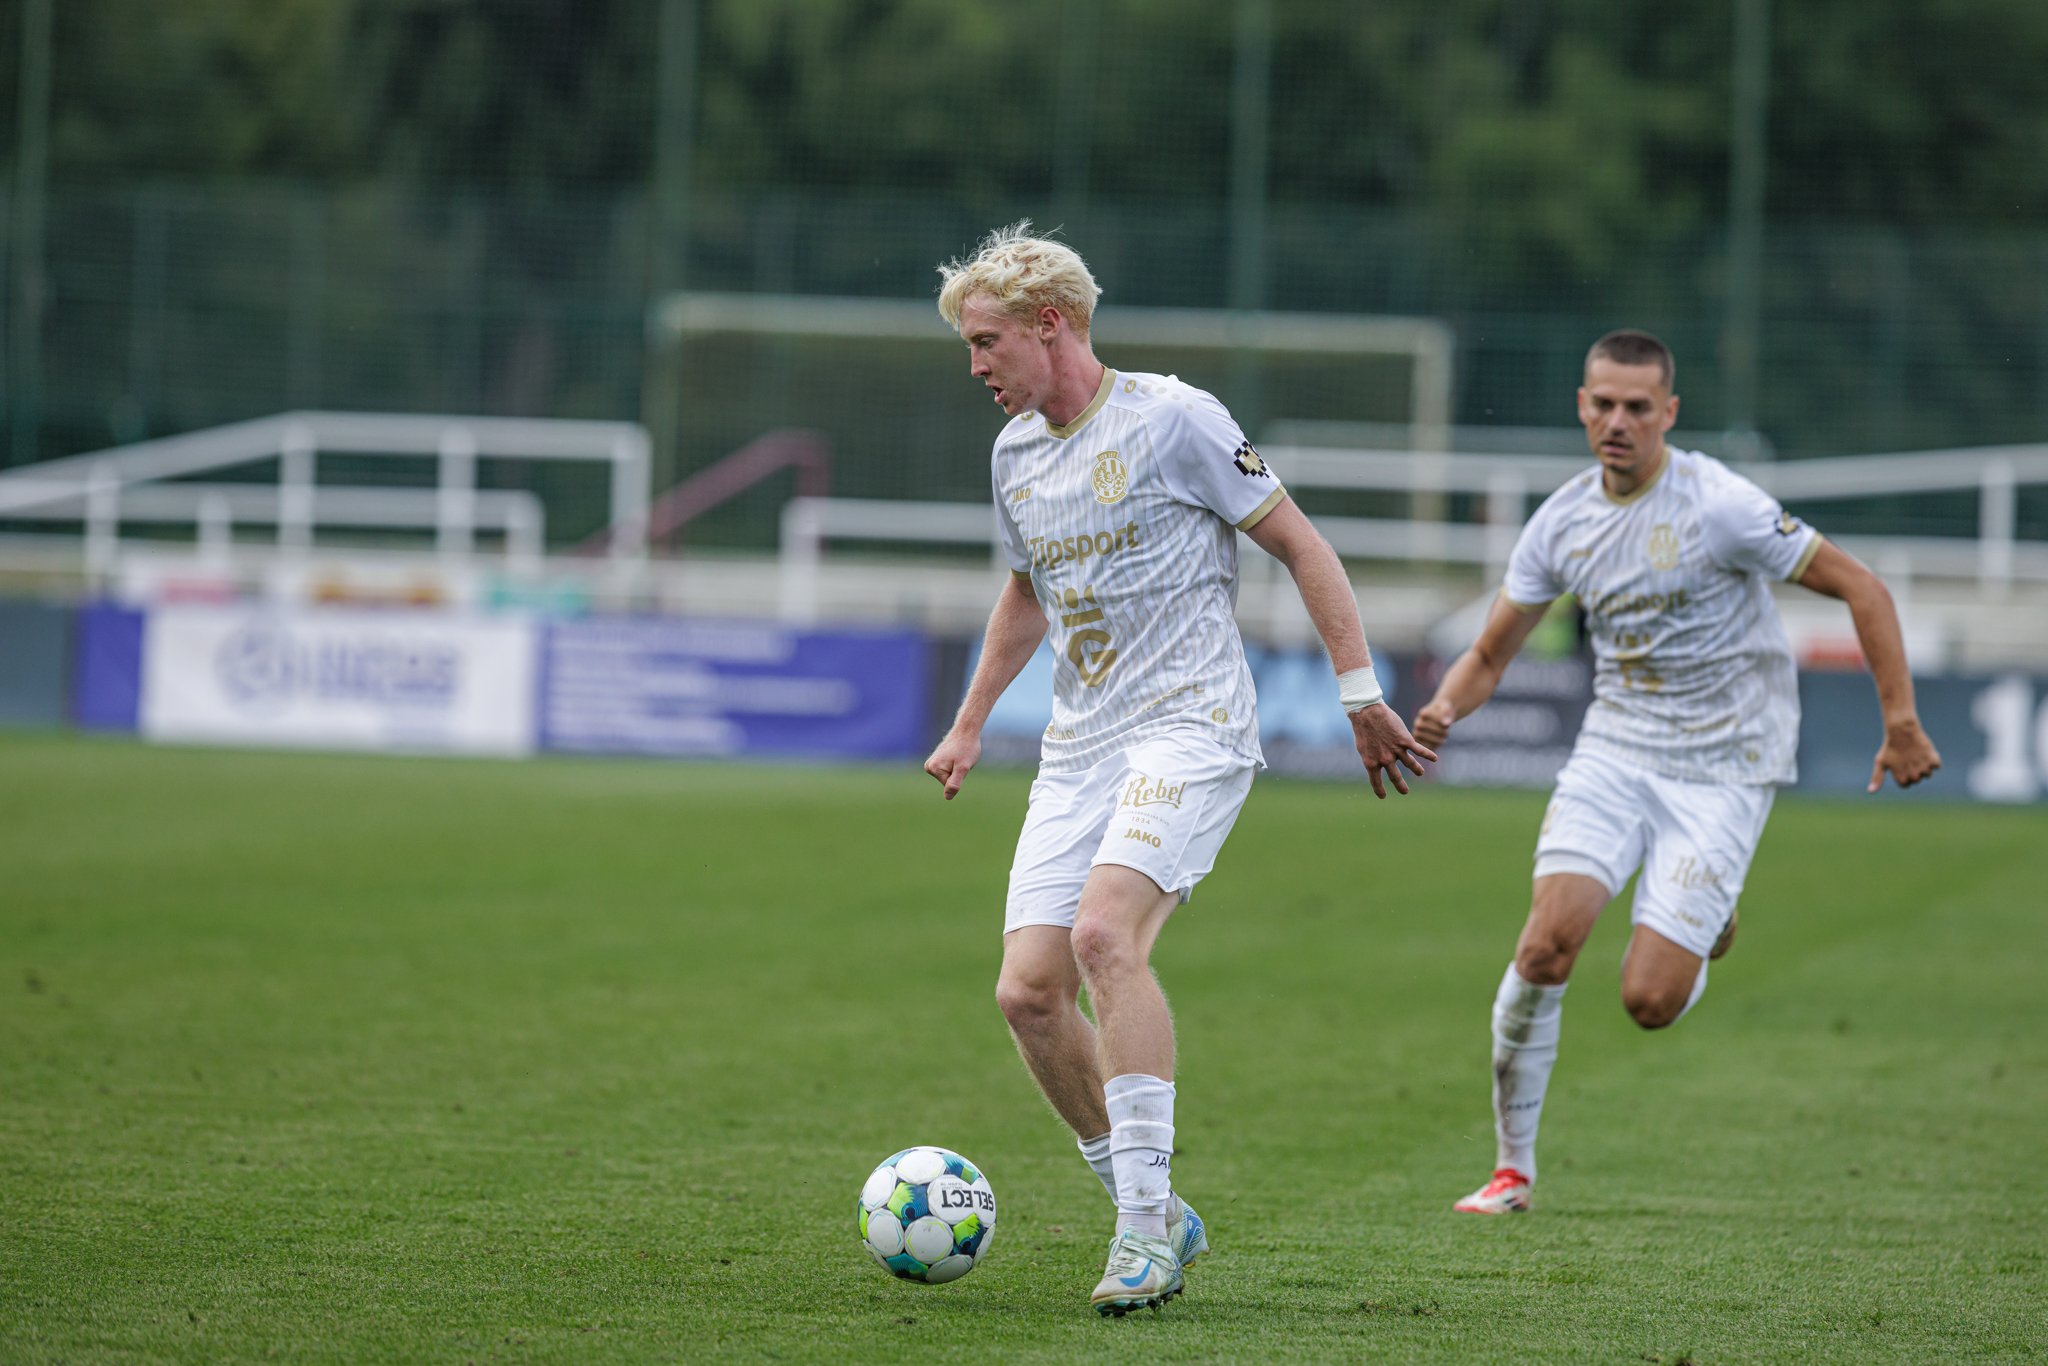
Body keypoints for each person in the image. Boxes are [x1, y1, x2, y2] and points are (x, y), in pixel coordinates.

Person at [922, 222, 1434, 1313]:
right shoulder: (1014, 454)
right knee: (1027, 993)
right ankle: (1151, 1204)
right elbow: (1025, 593)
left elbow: (1300, 545)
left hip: (1190, 725)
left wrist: (1358, 694)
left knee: (1103, 937)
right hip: (1079, 747)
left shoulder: (1173, 418)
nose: (974, 366)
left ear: (1048, 325)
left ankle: (1139, 1235)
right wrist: (969, 723)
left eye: (984, 342)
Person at [1413, 329, 1943, 1215]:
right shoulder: (1562, 522)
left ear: (1669, 413)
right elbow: (1491, 653)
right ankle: (1512, 1170)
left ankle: (1705, 925)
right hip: (1617, 750)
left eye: (1637, 407)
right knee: (1544, 945)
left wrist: (1902, 722)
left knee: (1649, 1001)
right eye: (1603, 404)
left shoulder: (1720, 506)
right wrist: (1442, 709)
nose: (1617, 421)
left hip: (1726, 767)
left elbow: (1864, 588)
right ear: (1582, 406)